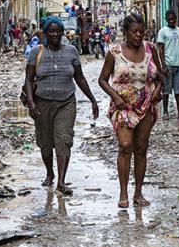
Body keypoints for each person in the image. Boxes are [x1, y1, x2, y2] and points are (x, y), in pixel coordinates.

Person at [24, 16, 99, 196]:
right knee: (45, 143)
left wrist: (92, 100)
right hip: (42, 103)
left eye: (59, 31)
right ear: (45, 33)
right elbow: (28, 79)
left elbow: (79, 78)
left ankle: (61, 181)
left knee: (63, 140)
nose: (56, 34)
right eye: (51, 31)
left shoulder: (71, 51)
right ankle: (50, 173)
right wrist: (32, 103)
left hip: (66, 102)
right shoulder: (36, 52)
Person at [98, 14, 163, 208]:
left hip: (146, 106)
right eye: (134, 32)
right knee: (126, 145)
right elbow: (102, 79)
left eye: (141, 32)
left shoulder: (151, 49)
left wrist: (157, 92)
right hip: (123, 106)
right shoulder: (114, 52)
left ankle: (138, 193)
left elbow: (160, 77)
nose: (138, 35)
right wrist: (115, 97)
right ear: (125, 32)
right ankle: (123, 192)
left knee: (141, 148)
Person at [157, 10, 179, 120]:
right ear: (166, 19)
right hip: (168, 65)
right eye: (169, 19)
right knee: (166, 91)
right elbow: (160, 49)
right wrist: (163, 65)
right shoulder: (162, 31)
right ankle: (165, 112)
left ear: (176, 19)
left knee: (178, 91)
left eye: (173, 18)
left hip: (178, 65)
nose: (171, 20)